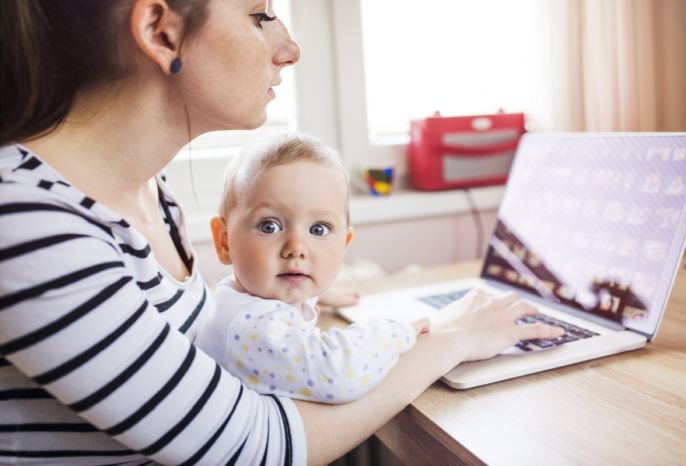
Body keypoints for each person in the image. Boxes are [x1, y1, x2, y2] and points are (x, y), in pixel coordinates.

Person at [0, 1, 564, 465]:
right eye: (259, 14)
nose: (288, 48)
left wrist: (287, 295)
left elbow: (179, 352)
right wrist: (449, 339)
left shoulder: (149, 192)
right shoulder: (26, 220)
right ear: (162, 31)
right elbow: (256, 450)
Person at [195, 133, 430, 403]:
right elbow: (340, 373)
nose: (296, 247)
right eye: (269, 226)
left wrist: (313, 294)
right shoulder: (250, 328)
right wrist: (397, 331)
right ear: (224, 242)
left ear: (344, 243)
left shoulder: (243, 298)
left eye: (319, 229)